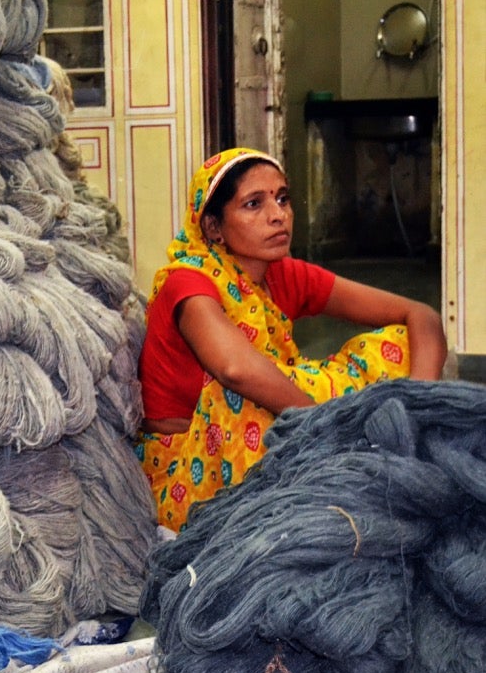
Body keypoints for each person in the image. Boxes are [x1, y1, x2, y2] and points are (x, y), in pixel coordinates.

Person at [135, 147, 447, 531]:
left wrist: (420, 403)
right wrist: (330, 428)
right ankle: (338, 465)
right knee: (238, 394)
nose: (277, 215)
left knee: (401, 343)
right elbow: (235, 370)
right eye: (253, 204)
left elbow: (420, 315)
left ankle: (372, 449)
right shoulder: (188, 282)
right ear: (214, 227)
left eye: (283, 199)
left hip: (282, 424)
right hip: (187, 469)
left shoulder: (282, 273)